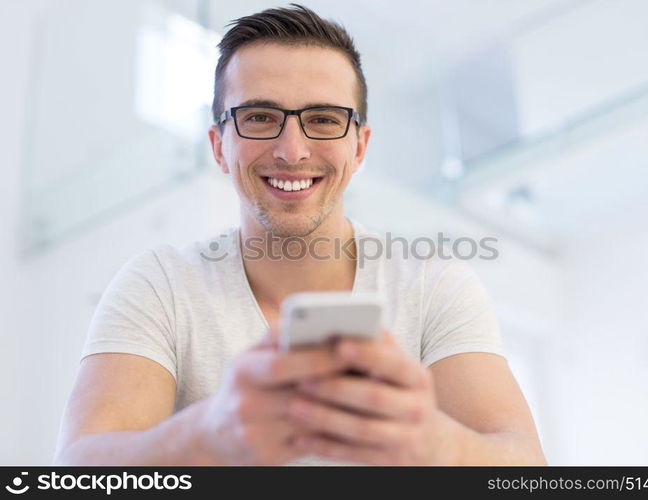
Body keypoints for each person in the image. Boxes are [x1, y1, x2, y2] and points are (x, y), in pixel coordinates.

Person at [53, 3, 546, 466]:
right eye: (260, 117)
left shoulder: (433, 284)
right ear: (219, 147)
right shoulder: (159, 285)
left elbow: (526, 466)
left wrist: (431, 441)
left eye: (324, 120)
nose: (292, 150)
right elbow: (76, 468)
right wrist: (209, 434)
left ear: (359, 147)